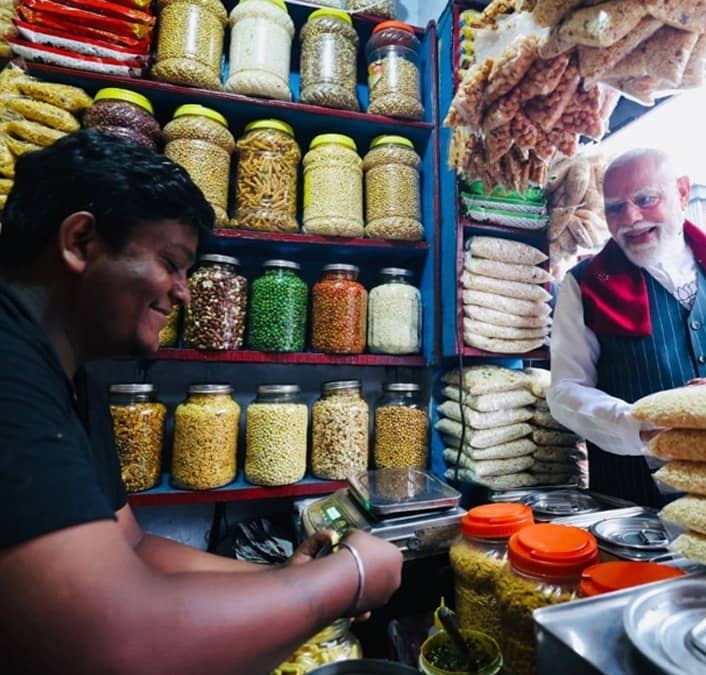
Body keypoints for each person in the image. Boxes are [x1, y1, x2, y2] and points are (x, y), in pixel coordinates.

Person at [0, 131, 405, 674]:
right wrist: (349, 575)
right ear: (80, 242)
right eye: (171, 262)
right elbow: (115, 644)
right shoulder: (9, 366)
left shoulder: (73, 377)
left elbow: (134, 548)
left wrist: (282, 577)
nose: (184, 291)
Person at [546, 148, 706, 507]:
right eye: (615, 207)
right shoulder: (588, 283)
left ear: (683, 193)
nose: (631, 219)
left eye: (645, 199)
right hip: (635, 506)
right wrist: (637, 424)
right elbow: (565, 390)